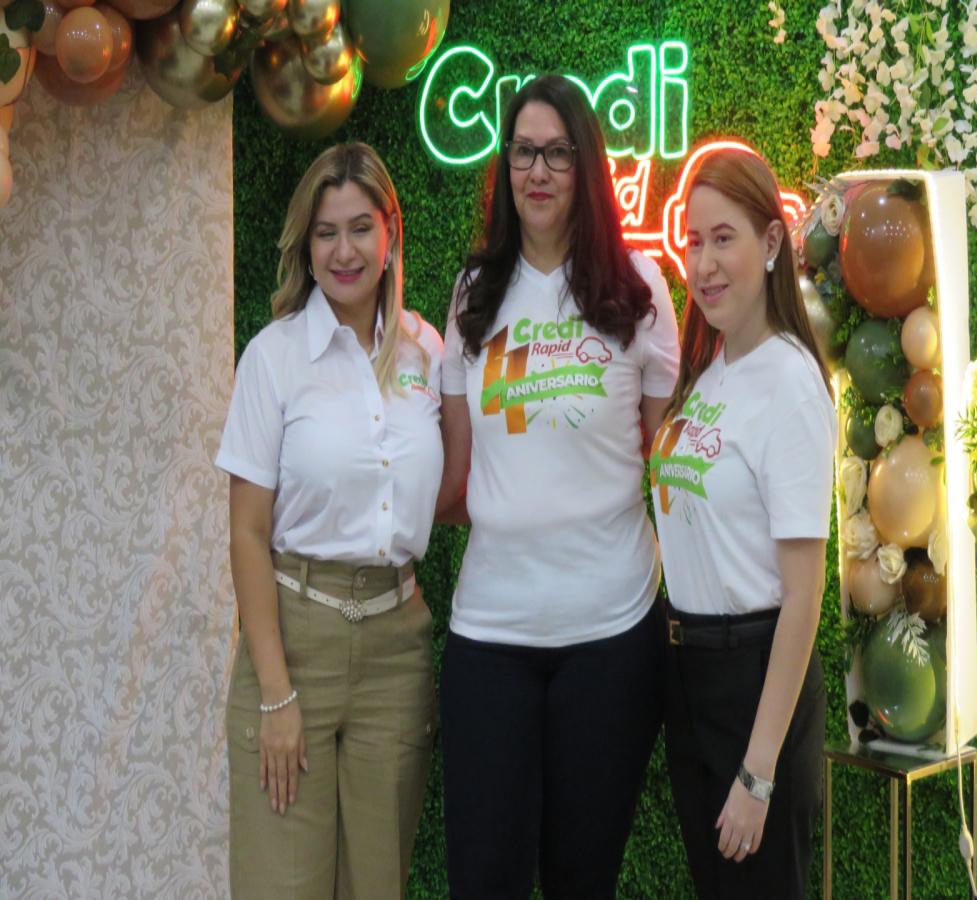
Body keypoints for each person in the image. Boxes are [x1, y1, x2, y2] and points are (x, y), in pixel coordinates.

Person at [437, 74, 681, 899]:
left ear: (586, 167)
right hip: (489, 634)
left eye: (557, 153)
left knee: (583, 881)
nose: (537, 171)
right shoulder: (475, 294)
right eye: (522, 152)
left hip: (609, 637)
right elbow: (458, 470)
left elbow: (662, 459)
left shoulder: (640, 293)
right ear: (505, 168)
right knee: (484, 880)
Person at [215, 142, 443, 899]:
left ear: (390, 236)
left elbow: (445, 488)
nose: (344, 250)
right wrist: (276, 693)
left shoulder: (425, 352)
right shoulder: (274, 358)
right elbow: (247, 532)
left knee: (379, 886)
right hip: (295, 644)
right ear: (305, 247)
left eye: (359, 228)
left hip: (395, 654)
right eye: (325, 232)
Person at [648, 146, 835, 899]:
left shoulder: (789, 382)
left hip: (754, 682)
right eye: (693, 242)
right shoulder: (713, 371)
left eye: (723, 238)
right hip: (691, 675)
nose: (704, 263)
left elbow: (803, 595)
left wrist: (758, 775)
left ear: (771, 242)